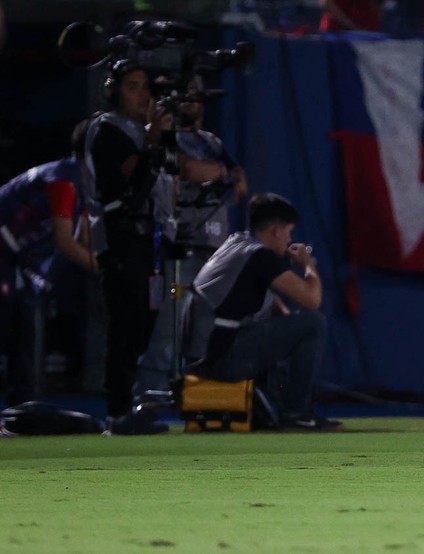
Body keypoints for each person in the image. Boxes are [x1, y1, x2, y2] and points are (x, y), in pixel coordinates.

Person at [134, 75, 249, 403]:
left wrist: (219, 173)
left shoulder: (210, 141)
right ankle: (148, 393)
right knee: (167, 320)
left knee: (204, 325)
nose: (193, 101)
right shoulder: (164, 138)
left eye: (198, 95)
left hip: (212, 249)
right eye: (187, 94)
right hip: (174, 246)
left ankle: (197, 390)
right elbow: (185, 169)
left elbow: (240, 180)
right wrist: (216, 174)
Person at [182, 193, 339, 431]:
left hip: (200, 355)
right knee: (313, 323)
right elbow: (312, 300)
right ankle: (297, 414)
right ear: (276, 230)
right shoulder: (262, 255)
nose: (289, 240)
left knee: (286, 327)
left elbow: (253, 298)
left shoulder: (236, 244)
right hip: (219, 360)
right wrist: (309, 264)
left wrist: (287, 325)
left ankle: (275, 409)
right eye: (288, 232)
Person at [83, 59, 173, 433]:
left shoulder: (143, 131)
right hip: (118, 235)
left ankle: (130, 404)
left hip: (145, 238)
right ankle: (118, 411)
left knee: (143, 323)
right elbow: (127, 184)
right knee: (125, 323)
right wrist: (152, 139)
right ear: (114, 91)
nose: (141, 95)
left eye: (145, 87)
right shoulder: (106, 129)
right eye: (132, 86)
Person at [0, 119, 99, 408]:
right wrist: (106, 270)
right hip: (4, 250)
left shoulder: (83, 184)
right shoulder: (63, 181)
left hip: (14, 255)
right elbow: (65, 242)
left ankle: (21, 408)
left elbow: (86, 236)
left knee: (23, 325)